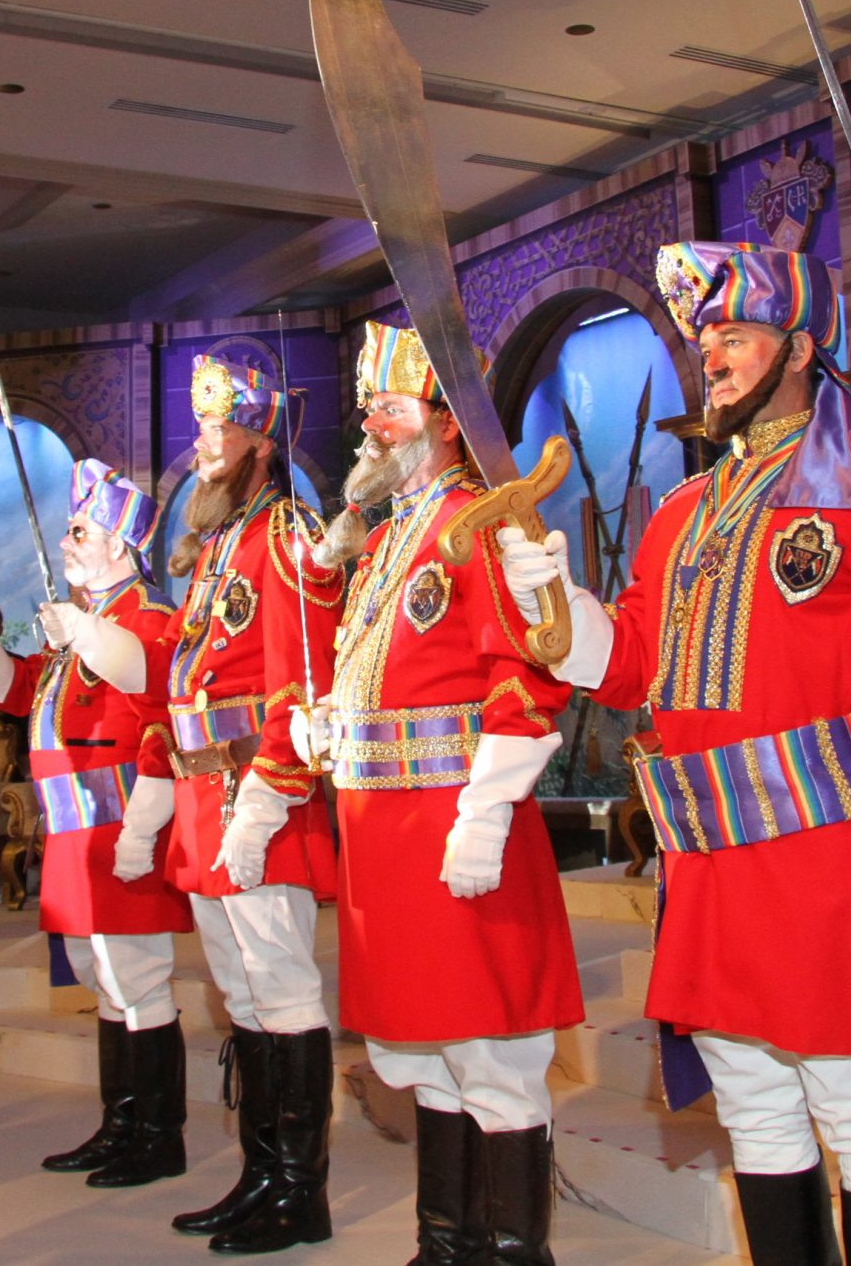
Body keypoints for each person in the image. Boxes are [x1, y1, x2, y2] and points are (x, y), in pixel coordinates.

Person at [497, 242, 851, 1266]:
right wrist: (551, 598)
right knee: (751, 1104)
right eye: (704, 340)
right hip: (706, 860)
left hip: (827, 852)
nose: (711, 358)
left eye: (736, 337)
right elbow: (629, 663)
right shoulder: (680, 513)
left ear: (799, 350)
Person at [311, 322, 582, 1266]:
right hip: (385, 840)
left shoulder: (482, 523)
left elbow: (525, 680)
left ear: (446, 422)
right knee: (427, 1057)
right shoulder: (388, 539)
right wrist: (330, 723)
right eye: (368, 410)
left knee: (493, 1058)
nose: (371, 426)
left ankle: (512, 1253)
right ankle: (445, 1246)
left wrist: (487, 811)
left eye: (389, 408)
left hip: (458, 833)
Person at [0, 458, 194, 1187]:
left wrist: (85, 631)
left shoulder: (145, 615)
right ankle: (121, 1125)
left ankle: (157, 1136)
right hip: (71, 830)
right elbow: (19, 690)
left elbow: (156, 701)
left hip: (122, 827)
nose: (65, 541)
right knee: (102, 977)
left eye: (80, 530)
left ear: (120, 542)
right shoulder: (79, 622)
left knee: (136, 977)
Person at [144, 355, 342, 1255]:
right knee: (242, 992)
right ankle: (260, 1175)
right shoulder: (221, 540)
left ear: (261, 439)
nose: (201, 444)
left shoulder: (287, 534)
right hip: (202, 796)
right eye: (199, 426)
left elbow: (304, 682)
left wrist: (268, 795)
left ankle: (300, 1191)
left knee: (282, 986)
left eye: (218, 427)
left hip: (258, 794)